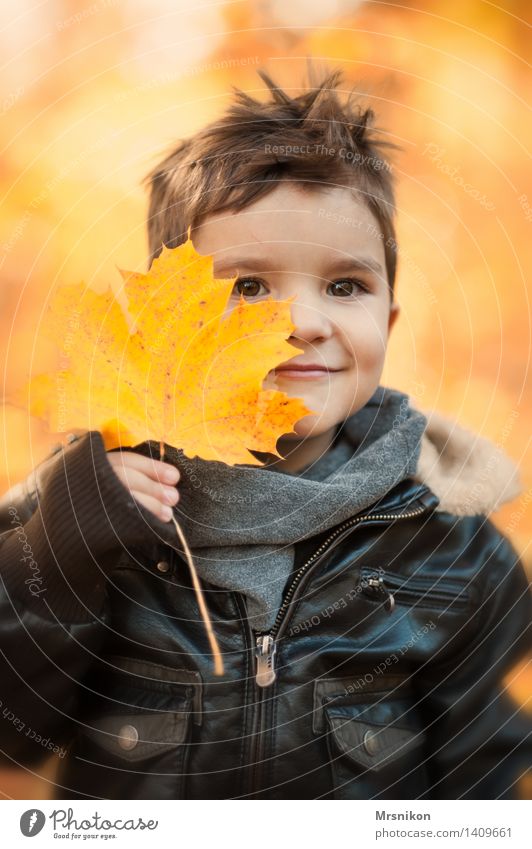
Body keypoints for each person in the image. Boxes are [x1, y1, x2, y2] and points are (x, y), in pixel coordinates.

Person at [0, 67, 530, 801]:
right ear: (170, 327)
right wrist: (62, 553)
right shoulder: (86, 509)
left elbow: (483, 778)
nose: (302, 322)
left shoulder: (448, 548)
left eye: (345, 286)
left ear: (390, 322)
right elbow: (14, 731)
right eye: (249, 286)